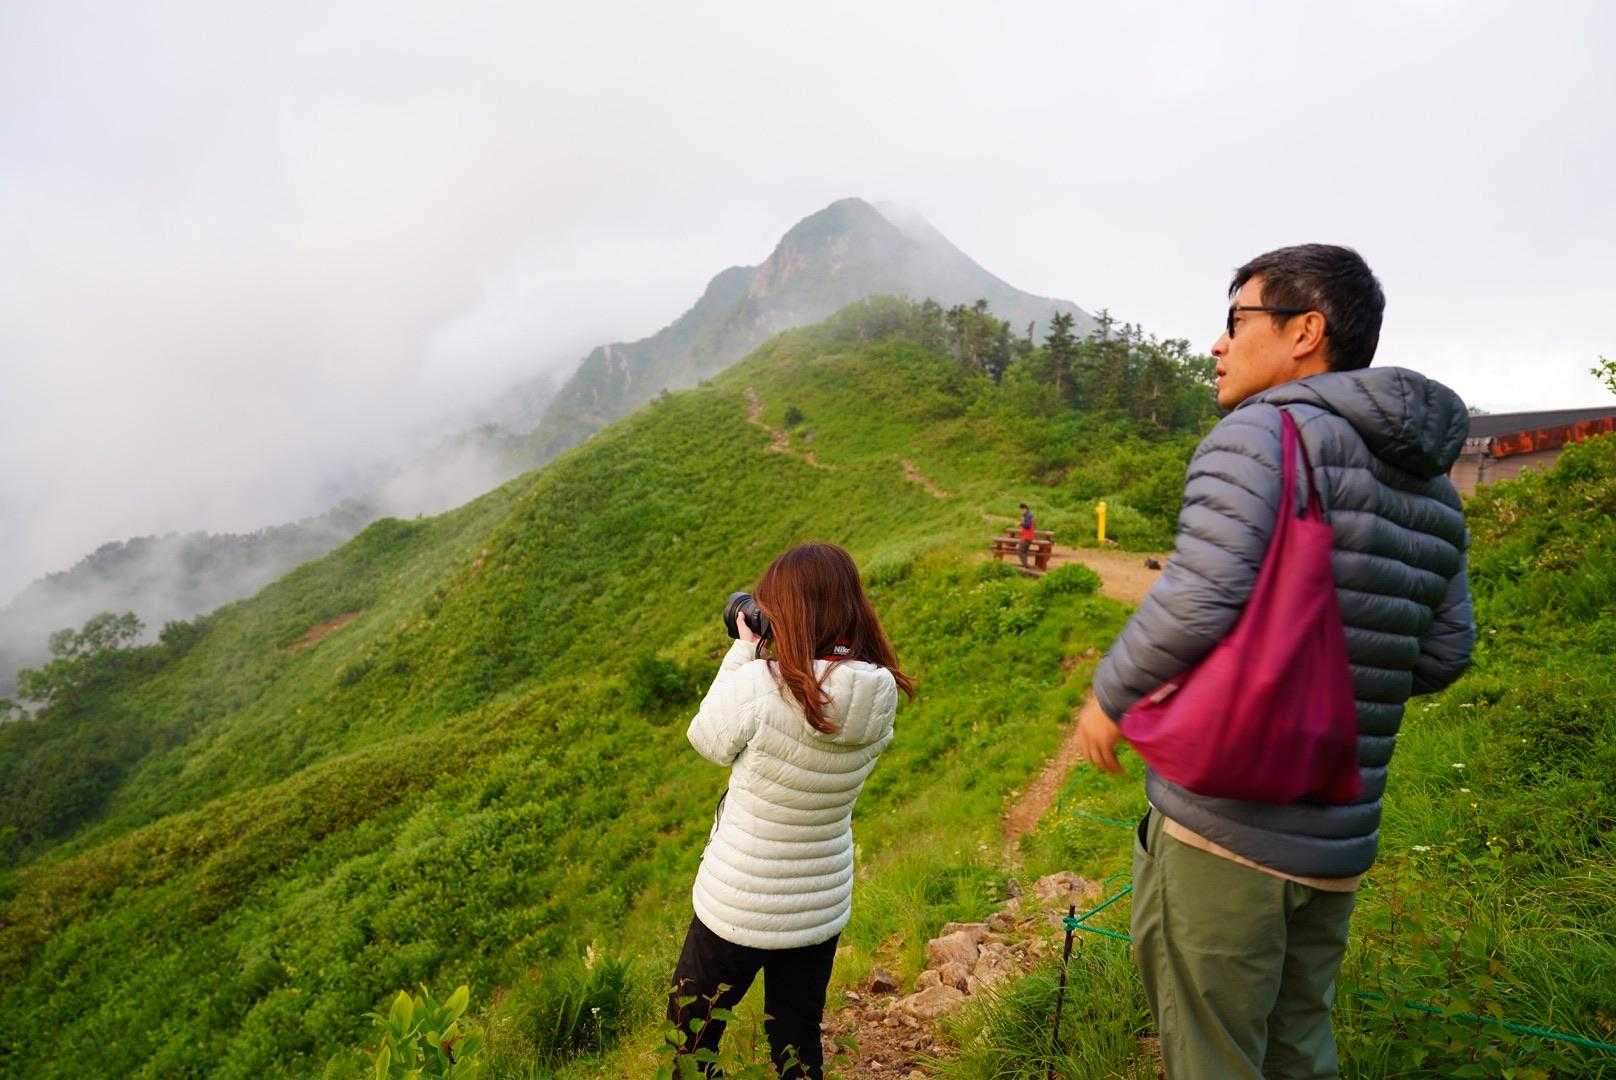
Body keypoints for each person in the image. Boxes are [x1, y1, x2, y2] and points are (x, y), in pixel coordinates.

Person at [1074, 244, 1476, 1079]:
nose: (1218, 344)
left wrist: (1110, 695)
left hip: (1228, 822)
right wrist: (1340, 672)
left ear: (1305, 332)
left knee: (1212, 1055)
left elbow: (1202, 592)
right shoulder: (1433, 482)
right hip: (1338, 839)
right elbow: (1444, 650)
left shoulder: (1262, 432)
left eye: (1237, 320)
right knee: (1299, 1050)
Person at [669, 542, 913, 1078]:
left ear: (792, 612)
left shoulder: (763, 684)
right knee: (797, 1040)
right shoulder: (880, 692)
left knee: (692, 1028)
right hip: (818, 902)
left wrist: (745, 651)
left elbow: (706, 739)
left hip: (741, 900)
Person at [1017, 502, 1035, 568]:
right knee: (1024, 551)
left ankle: (1026, 566)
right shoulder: (1028, 515)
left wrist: (1021, 524)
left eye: (1021, 510)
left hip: (1027, 537)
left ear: (1024, 509)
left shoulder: (1028, 516)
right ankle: (1025, 565)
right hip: (1027, 536)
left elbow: (1028, 526)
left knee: (1020, 551)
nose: (1020, 511)